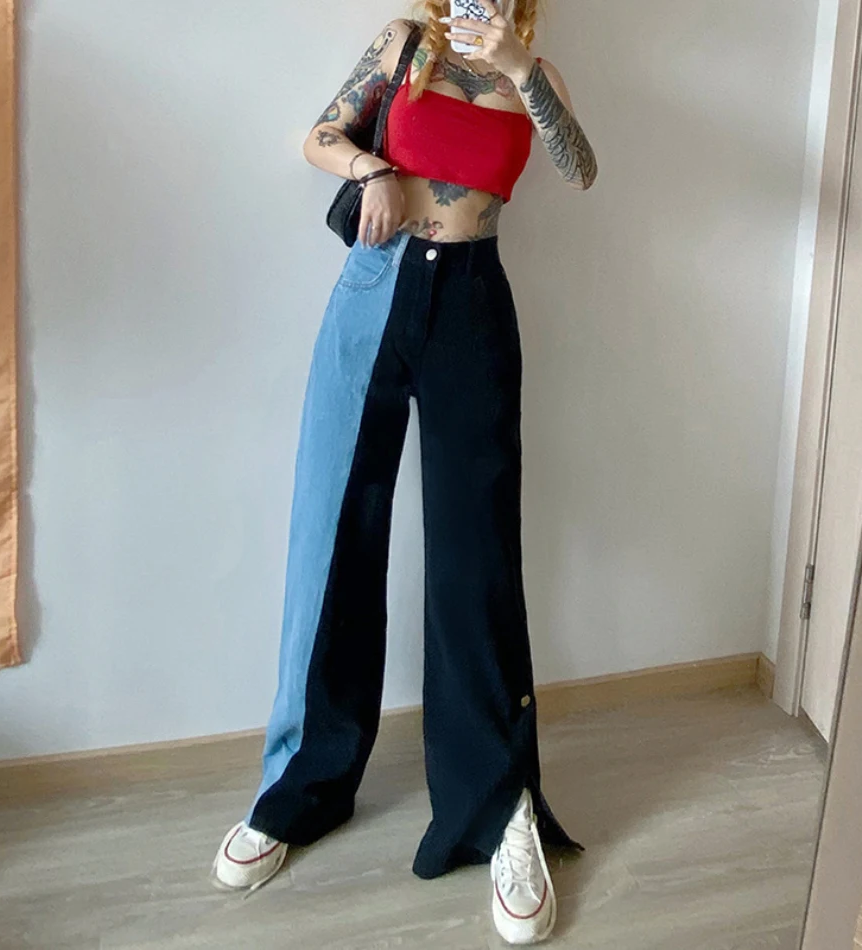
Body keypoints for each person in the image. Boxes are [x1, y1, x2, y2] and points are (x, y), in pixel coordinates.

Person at [210, 0, 597, 943]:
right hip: (374, 288)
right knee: (333, 535)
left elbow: (580, 167)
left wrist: (520, 67)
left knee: (476, 560)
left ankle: (498, 807)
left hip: (473, 302)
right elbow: (319, 135)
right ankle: (299, 787)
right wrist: (372, 168)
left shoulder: (534, 74)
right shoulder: (403, 42)